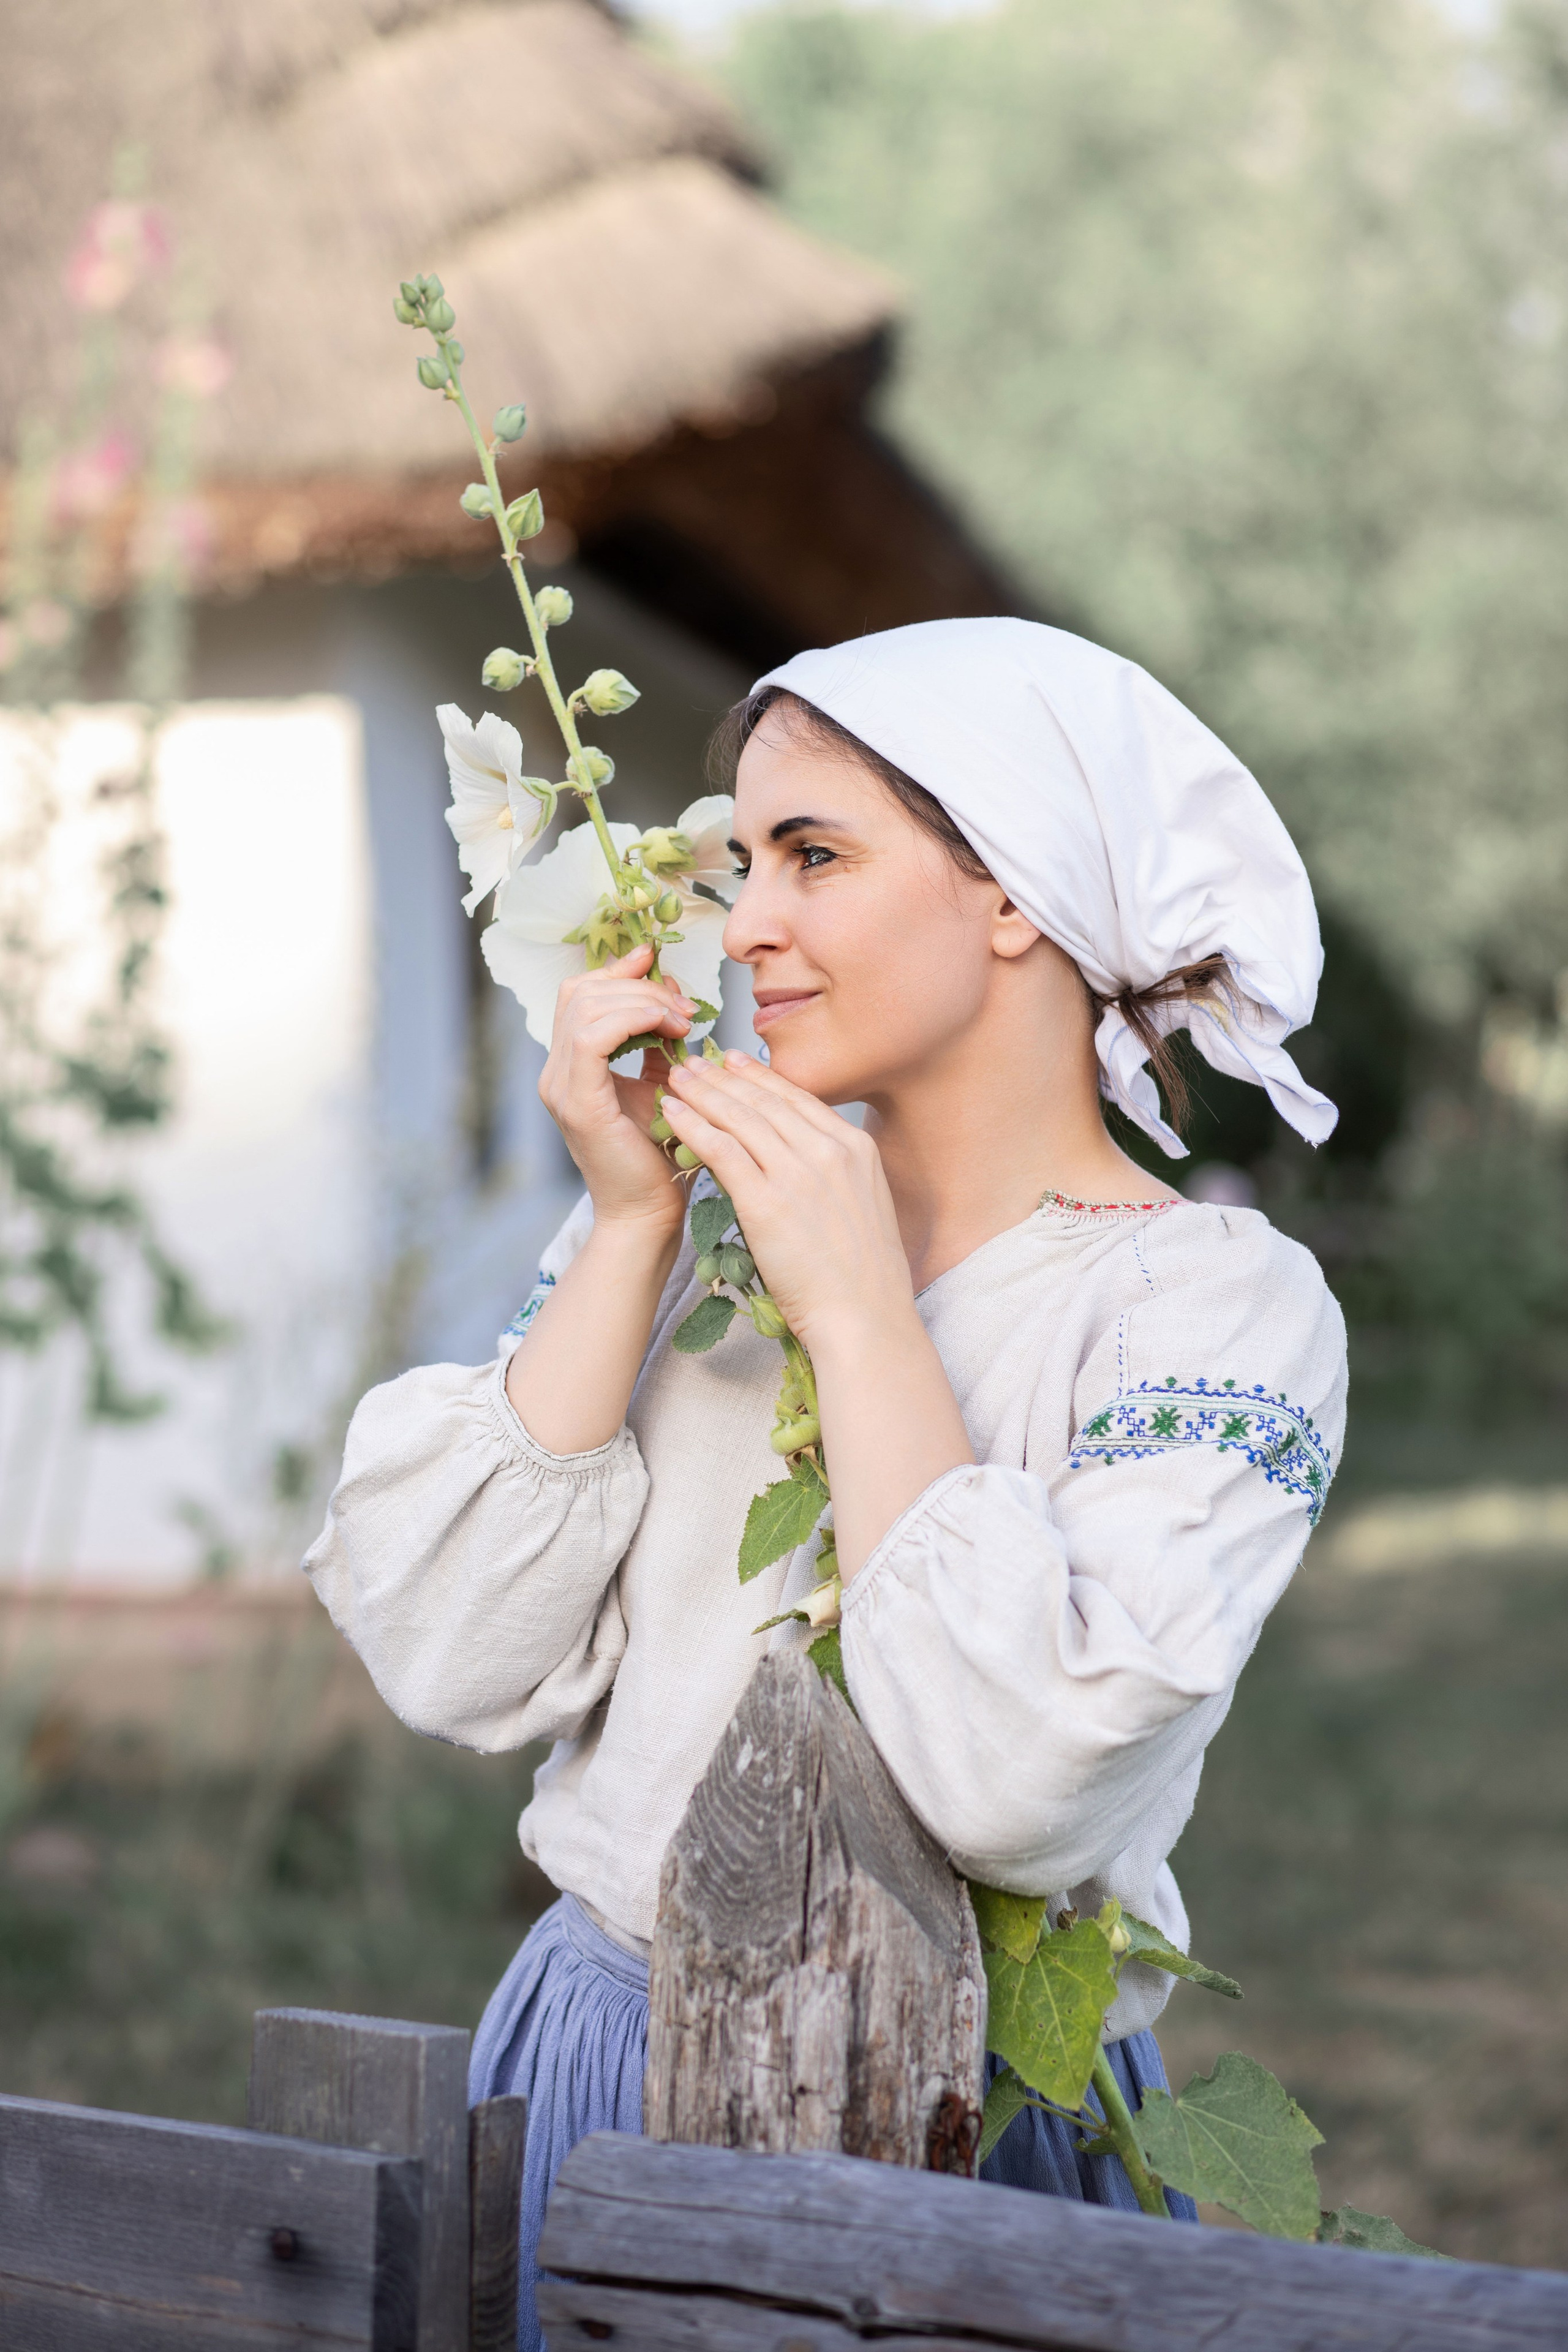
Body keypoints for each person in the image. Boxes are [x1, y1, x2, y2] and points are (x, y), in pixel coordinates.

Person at [306, 619, 1348, 2346]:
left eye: (814, 855)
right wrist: (635, 1223)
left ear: (1014, 892)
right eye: (739, 860)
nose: (748, 921)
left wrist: (862, 1310)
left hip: (974, 2108)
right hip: (600, 2065)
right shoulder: (684, 1229)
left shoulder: (1205, 1306)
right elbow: (444, 1652)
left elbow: (1024, 1782)